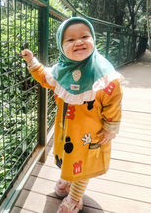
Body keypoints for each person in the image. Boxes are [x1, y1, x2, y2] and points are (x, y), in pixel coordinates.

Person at [21, 17, 122, 213]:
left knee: (83, 163)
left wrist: (111, 127)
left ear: (93, 39)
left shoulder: (103, 72)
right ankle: (67, 180)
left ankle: (75, 198)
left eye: (85, 36)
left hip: (91, 133)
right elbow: (44, 77)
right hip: (65, 130)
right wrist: (31, 61)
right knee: (69, 158)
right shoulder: (61, 70)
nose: (79, 42)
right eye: (70, 40)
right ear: (61, 45)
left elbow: (114, 100)